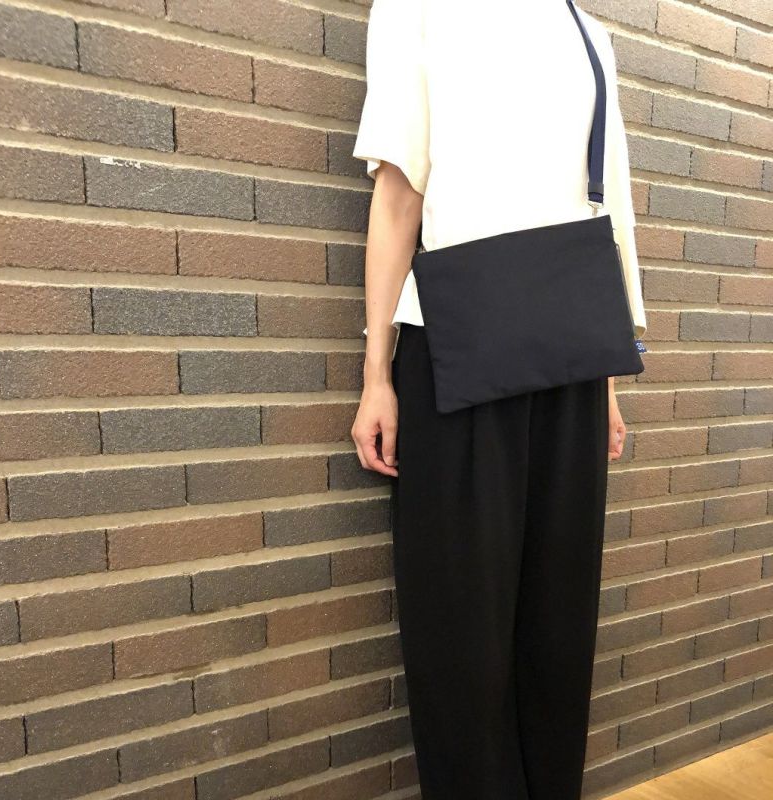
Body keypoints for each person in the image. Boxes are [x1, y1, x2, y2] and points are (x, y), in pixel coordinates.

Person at [350, 1, 647, 798]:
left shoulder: (587, 31)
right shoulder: (417, 8)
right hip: (459, 348)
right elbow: (398, 196)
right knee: (461, 633)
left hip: (572, 365)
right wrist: (378, 372)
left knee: (559, 628)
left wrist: (606, 381)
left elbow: (605, 214)